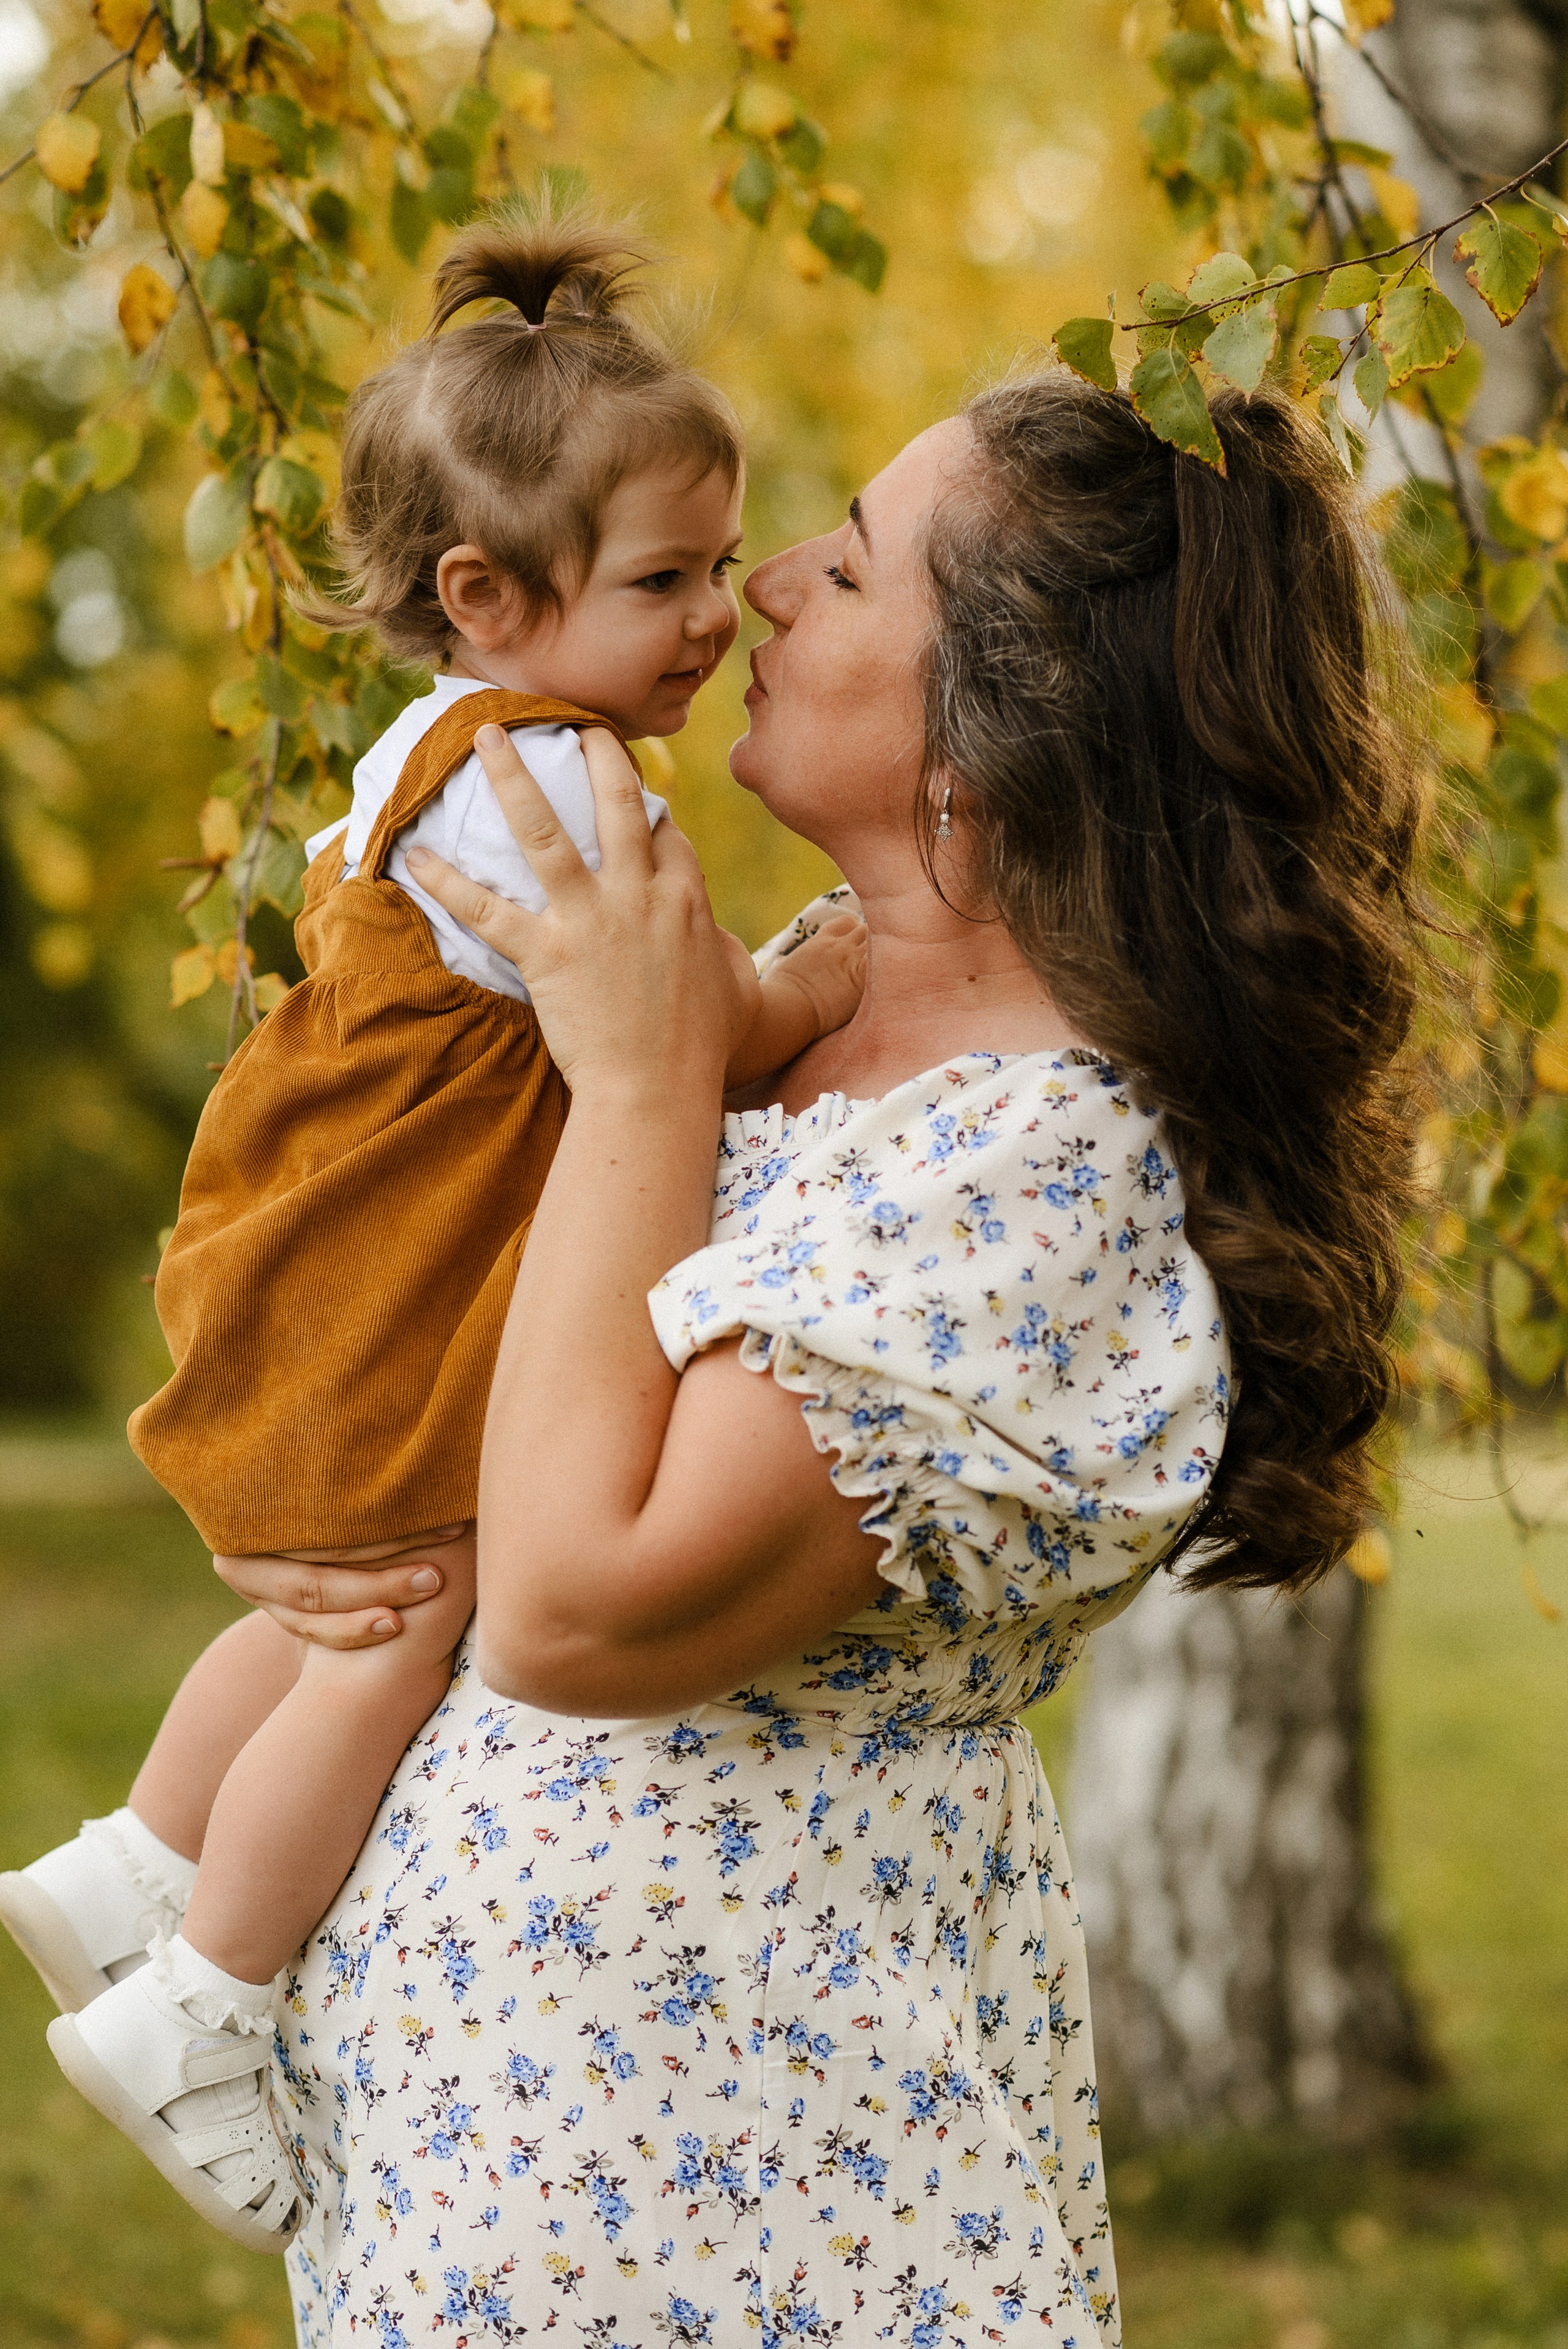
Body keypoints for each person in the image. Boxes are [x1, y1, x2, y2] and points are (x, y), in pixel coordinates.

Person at [206, 374, 1420, 2345]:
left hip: (739, 2196)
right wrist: (310, 1512)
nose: (762, 587)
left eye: (846, 566)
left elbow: (580, 1606)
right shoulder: (802, 1024)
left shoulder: (1036, 1174)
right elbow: (469, 1358)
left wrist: (639, 1072)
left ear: (991, 742)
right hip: (506, 2171)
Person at [0, 203, 862, 2253]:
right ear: (487, 593)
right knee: (407, 1625)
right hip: (392, 1285)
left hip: (318, 1258)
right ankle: (203, 1997)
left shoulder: (434, 755)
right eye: (665, 579)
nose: (718, 616)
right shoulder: (560, 778)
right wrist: (810, 989)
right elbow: (686, 1020)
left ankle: (130, 1859)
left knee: (334, 1601)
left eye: (718, 568)